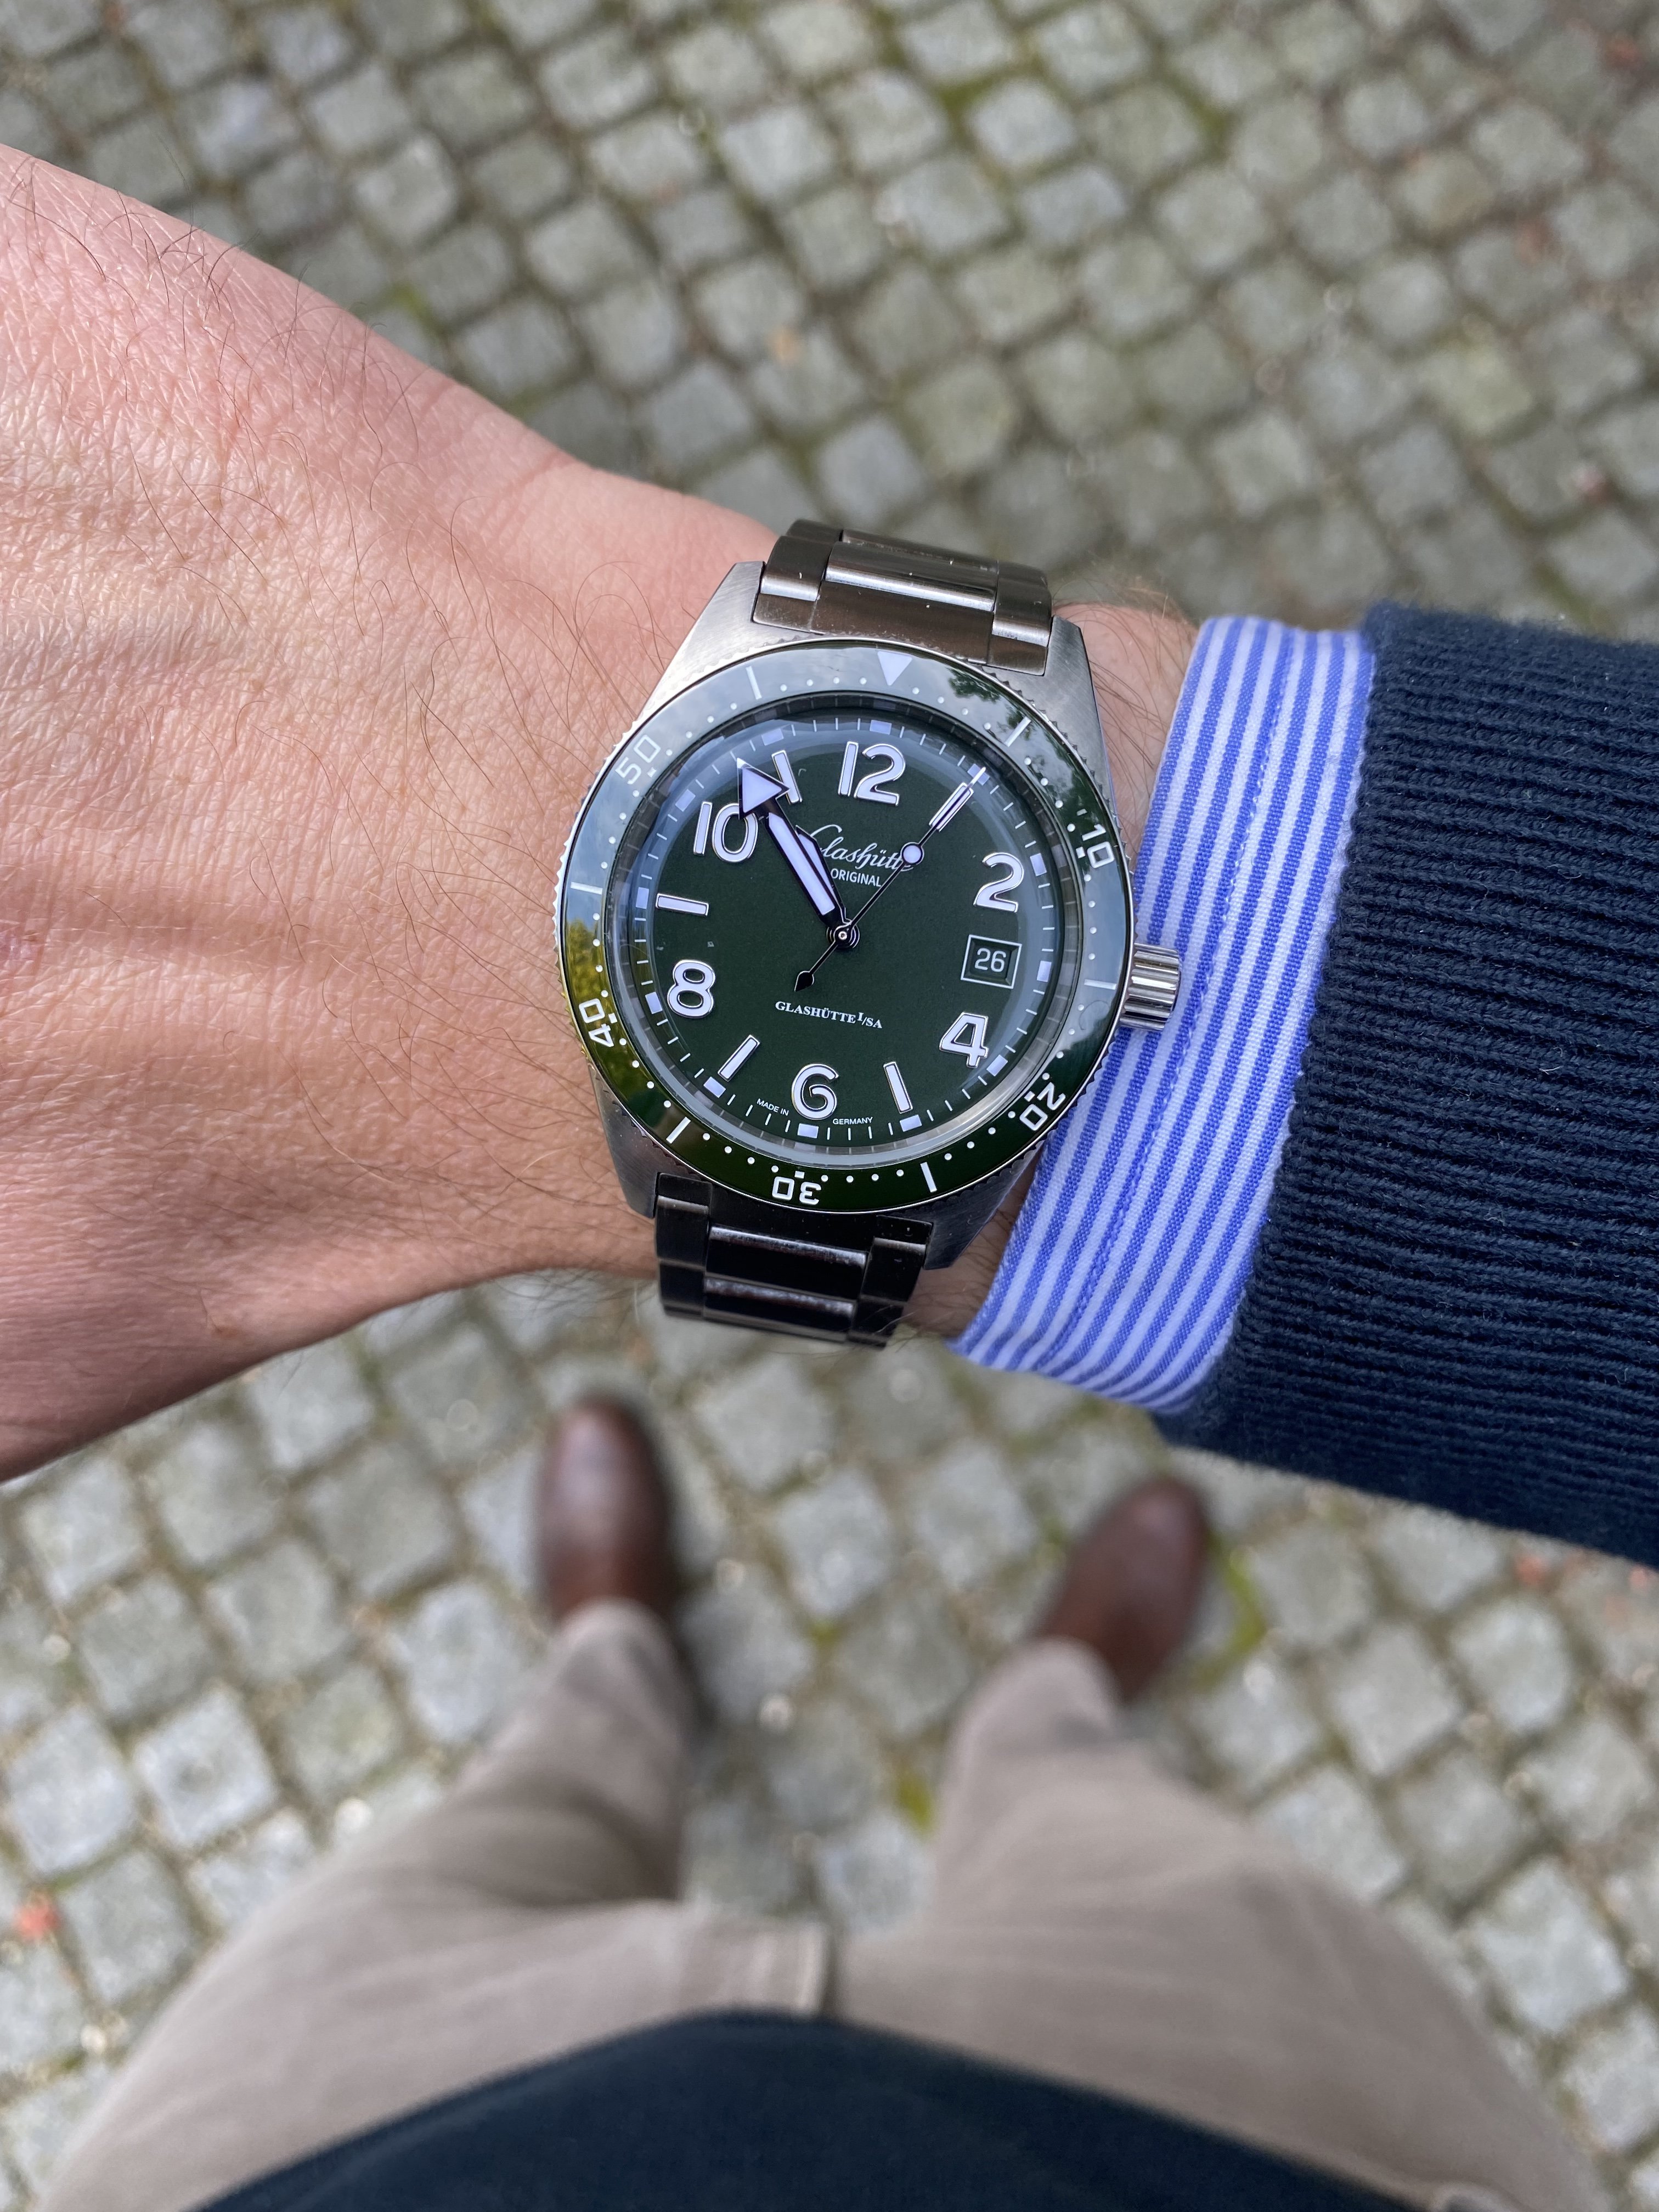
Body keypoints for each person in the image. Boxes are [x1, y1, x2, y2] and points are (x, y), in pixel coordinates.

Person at [3, 139, 1654, 2212]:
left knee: (499, 1834)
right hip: (1286, 2130)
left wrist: (1232, 1059)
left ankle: (627, 1688)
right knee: (1124, 1849)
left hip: (321, 2126)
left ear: (1131, 985)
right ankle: (1024, 1715)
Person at [35, 1402, 1601, 2212]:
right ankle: (1047, 1708)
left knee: (536, 1794)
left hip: (322, 2150)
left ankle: (615, 1656)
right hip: (1248, 2148)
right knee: (1096, 1823)